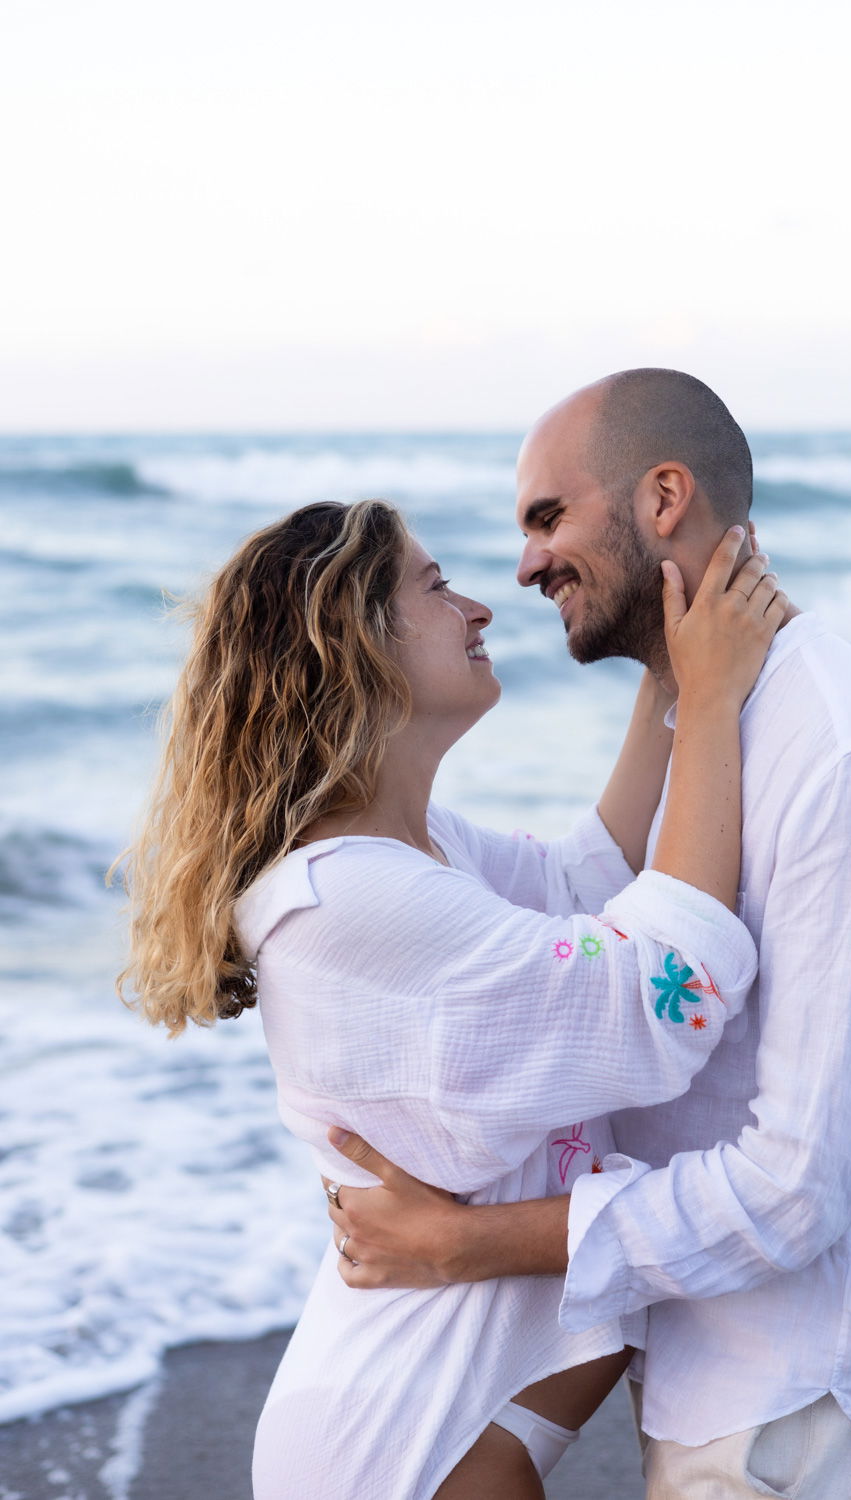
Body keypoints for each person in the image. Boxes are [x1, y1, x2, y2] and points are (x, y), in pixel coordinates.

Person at [325, 369, 851, 1500]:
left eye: (548, 517)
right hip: (738, 1384)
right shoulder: (719, 719)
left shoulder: (838, 747)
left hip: (814, 1415)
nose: (525, 566)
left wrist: (465, 1244)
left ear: (663, 497)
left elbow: (796, 1188)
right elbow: (580, 908)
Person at [116, 496, 786, 1498]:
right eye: (433, 588)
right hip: (398, 1438)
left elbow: (587, 883)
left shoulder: (404, 857)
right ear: (352, 643)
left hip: (450, 1418)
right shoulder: (343, 897)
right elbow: (666, 996)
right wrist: (714, 695)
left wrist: (666, 661)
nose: (476, 608)